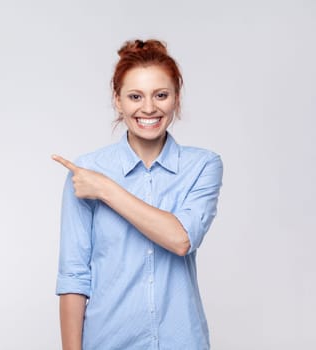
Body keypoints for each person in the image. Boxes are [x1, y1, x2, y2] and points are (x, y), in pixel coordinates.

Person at [51, 39, 223, 350]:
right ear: (118, 101)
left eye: (161, 95)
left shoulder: (202, 166)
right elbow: (74, 277)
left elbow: (181, 238)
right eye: (135, 96)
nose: (148, 108)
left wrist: (106, 189)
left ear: (176, 98)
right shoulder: (85, 172)